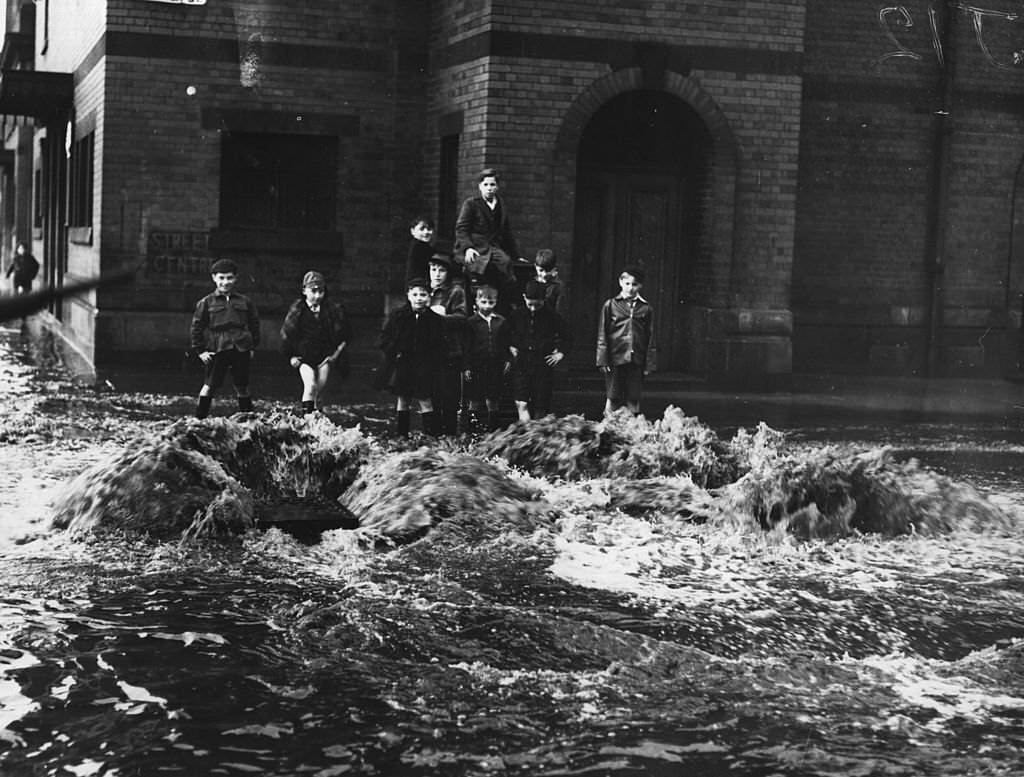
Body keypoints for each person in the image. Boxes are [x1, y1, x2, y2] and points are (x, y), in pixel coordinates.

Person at [189, 258, 260, 418]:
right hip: (217, 347)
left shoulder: (245, 301)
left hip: (240, 346)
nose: (225, 282)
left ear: (235, 278)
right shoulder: (206, 302)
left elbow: (254, 324)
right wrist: (200, 351)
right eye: (221, 278)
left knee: (242, 385)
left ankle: (248, 422)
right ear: (214, 278)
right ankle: (199, 421)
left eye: (229, 278)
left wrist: (252, 346)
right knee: (210, 385)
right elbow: (196, 327)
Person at [376, 276, 447, 437]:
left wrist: (433, 362)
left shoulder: (434, 320)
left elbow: (441, 345)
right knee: (403, 399)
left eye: (423, 295)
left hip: (424, 366)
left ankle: (430, 437)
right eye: (415, 295)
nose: (419, 299)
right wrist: (395, 353)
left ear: (429, 297)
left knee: (425, 400)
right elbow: (384, 338)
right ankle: (402, 436)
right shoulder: (398, 316)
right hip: (404, 364)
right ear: (408, 295)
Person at [280, 270, 351, 415]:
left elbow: (344, 334)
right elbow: (287, 334)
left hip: (324, 356)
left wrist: (335, 355)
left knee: (319, 389)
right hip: (304, 356)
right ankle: (307, 420)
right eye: (313, 291)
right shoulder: (298, 310)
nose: (317, 296)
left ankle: (317, 416)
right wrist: (291, 356)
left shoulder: (331, 310)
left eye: (321, 291)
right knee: (310, 386)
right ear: (304, 290)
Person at [453, 168, 525, 308]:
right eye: (485, 185)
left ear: (497, 187)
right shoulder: (471, 204)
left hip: (493, 249)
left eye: (492, 185)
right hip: (475, 247)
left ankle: (500, 304)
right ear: (480, 187)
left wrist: (516, 255)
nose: (489, 188)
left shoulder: (501, 205)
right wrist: (468, 248)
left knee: (506, 264)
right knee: (478, 268)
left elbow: (507, 233)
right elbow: (462, 228)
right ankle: (477, 303)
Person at [596, 265, 657, 416]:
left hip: (636, 359)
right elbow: (603, 333)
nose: (630, 288)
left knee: (633, 398)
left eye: (634, 284)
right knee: (613, 397)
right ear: (620, 282)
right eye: (627, 283)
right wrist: (602, 359)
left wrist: (649, 362)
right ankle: (608, 427)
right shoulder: (611, 305)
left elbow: (651, 336)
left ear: (640, 286)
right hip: (615, 358)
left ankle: (632, 430)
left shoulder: (646, 308)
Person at [507, 279, 571, 421]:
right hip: (522, 363)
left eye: (538, 305)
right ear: (524, 298)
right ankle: (526, 433)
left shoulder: (552, 316)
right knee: (521, 401)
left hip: (543, 364)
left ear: (544, 300)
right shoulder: (517, 315)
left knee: (541, 405)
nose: (533, 309)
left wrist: (560, 353)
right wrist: (510, 347)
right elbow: (504, 335)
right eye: (530, 304)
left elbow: (567, 337)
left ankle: (536, 434)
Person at [427, 253, 468, 435]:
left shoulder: (455, 291)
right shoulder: (425, 291)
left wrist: (442, 318)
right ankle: (433, 439)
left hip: (450, 352)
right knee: (431, 397)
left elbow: (462, 317)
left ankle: (450, 438)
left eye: (441, 270)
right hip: (430, 351)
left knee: (449, 398)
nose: (436, 274)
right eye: (433, 269)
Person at [462, 284, 511, 433]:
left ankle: (492, 430)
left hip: (494, 364)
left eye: (491, 302)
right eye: (483, 302)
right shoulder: (471, 322)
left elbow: (505, 342)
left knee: (493, 397)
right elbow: (466, 346)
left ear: (496, 302)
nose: (487, 306)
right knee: (475, 398)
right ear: (476, 301)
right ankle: (472, 430)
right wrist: (466, 366)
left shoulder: (501, 321)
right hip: (476, 364)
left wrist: (507, 359)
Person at [404, 215, 436, 282]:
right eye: (422, 229)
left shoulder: (426, 248)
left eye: (429, 229)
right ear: (412, 231)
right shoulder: (417, 248)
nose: (426, 232)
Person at [532, 248, 562, 314]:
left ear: (554, 269)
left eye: (548, 271)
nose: (544, 274)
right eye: (541, 270)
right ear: (535, 266)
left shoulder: (558, 287)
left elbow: (558, 311)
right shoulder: (531, 283)